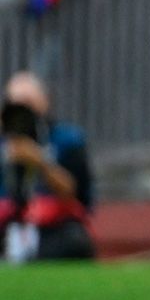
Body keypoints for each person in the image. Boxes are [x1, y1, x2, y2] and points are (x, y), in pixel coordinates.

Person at [0, 72, 94, 261]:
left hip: (51, 227)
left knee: (75, 241)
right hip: (6, 225)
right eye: (16, 104)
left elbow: (75, 193)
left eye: (28, 102)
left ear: (44, 101)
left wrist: (39, 160)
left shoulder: (67, 139)